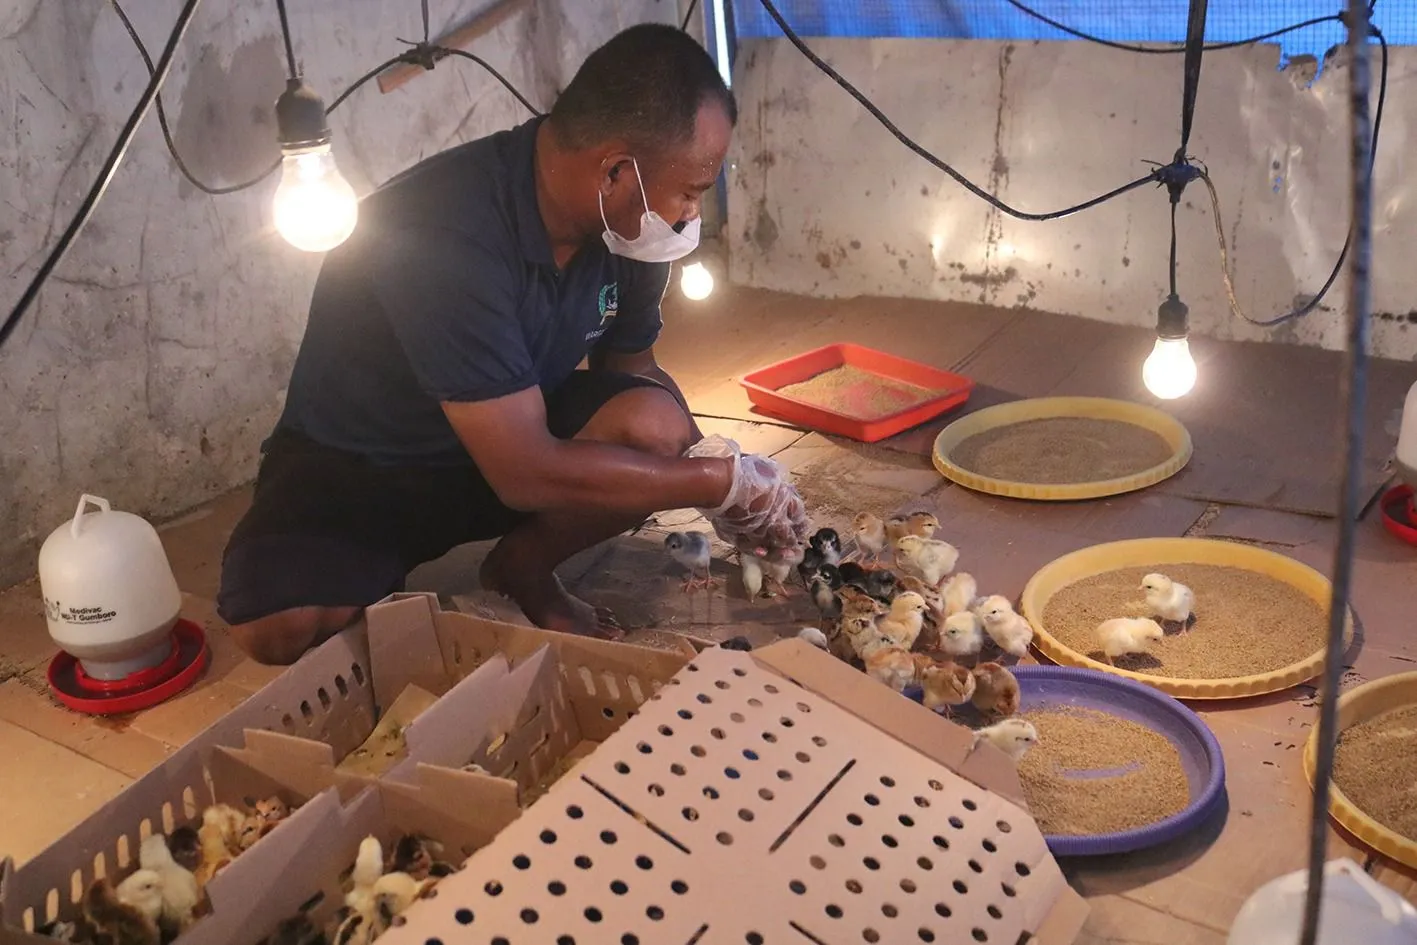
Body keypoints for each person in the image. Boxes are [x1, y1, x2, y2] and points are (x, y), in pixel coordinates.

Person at [218, 23, 809, 665]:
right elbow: (525, 473)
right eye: (690, 191)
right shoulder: (443, 234)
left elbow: (635, 369)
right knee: (277, 626)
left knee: (659, 431)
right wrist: (711, 483)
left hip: (510, 432)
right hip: (368, 466)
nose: (692, 214)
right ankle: (362, 570)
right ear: (616, 171)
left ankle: (522, 568)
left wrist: (719, 465)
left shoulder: (629, 228)